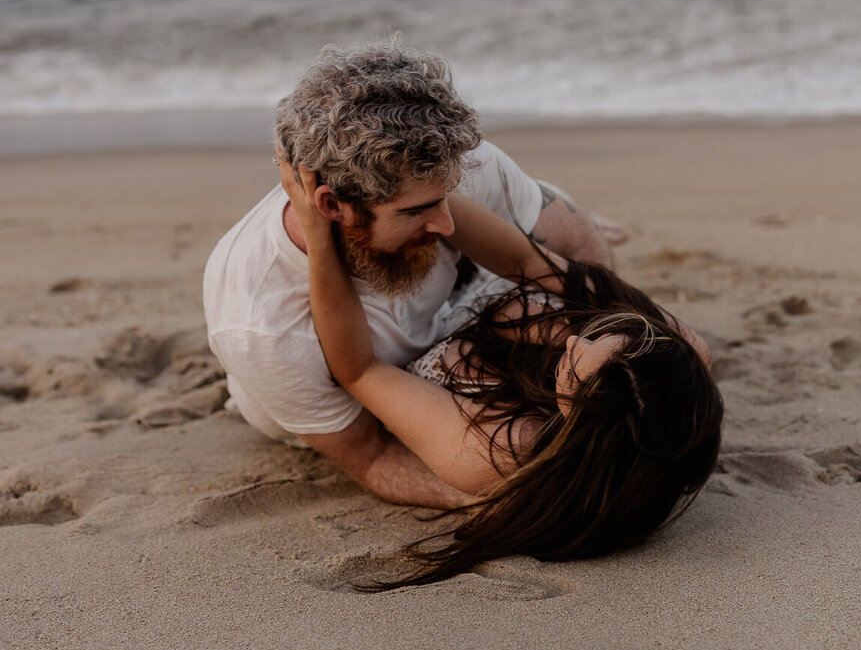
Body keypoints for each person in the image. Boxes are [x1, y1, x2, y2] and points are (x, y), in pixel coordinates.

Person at [203, 41, 620, 509]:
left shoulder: (441, 169)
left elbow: (578, 252)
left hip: (445, 322)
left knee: (561, 219)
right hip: (334, 410)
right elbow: (374, 456)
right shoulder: (259, 323)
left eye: (449, 196)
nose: (447, 223)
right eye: (418, 210)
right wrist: (507, 499)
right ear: (331, 207)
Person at [278, 158, 723, 589]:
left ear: (576, 424)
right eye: (601, 335)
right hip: (478, 290)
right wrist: (423, 193)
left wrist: (318, 237)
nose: (573, 341)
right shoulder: (676, 358)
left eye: (573, 368)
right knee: (576, 249)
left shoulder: (499, 448)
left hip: (402, 339)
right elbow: (531, 264)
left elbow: (358, 370)